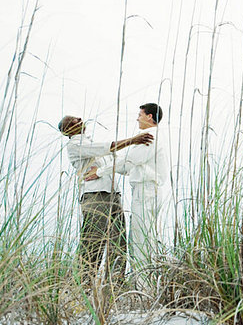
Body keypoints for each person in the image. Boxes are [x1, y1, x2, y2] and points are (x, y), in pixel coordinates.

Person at [58, 115, 153, 288]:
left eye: (78, 118)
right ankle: (84, 287)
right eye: (72, 121)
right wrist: (133, 140)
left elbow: (118, 163)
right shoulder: (75, 145)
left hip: (113, 196)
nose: (79, 119)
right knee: (93, 242)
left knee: (119, 242)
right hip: (95, 196)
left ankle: (115, 286)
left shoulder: (90, 143)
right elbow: (106, 148)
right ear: (67, 131)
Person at [85, 103, 169, 286]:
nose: (137, 118)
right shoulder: (149, 138)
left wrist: (99, 172)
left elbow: (129, 161)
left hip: (146, 190)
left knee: (141, 240)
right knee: (142, 237)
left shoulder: (150, 137)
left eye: (140, 114)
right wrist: (107, 165)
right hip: (145, 190)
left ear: (149, 116)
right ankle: (144, 284)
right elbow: (126, 166)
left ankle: (145, 287)